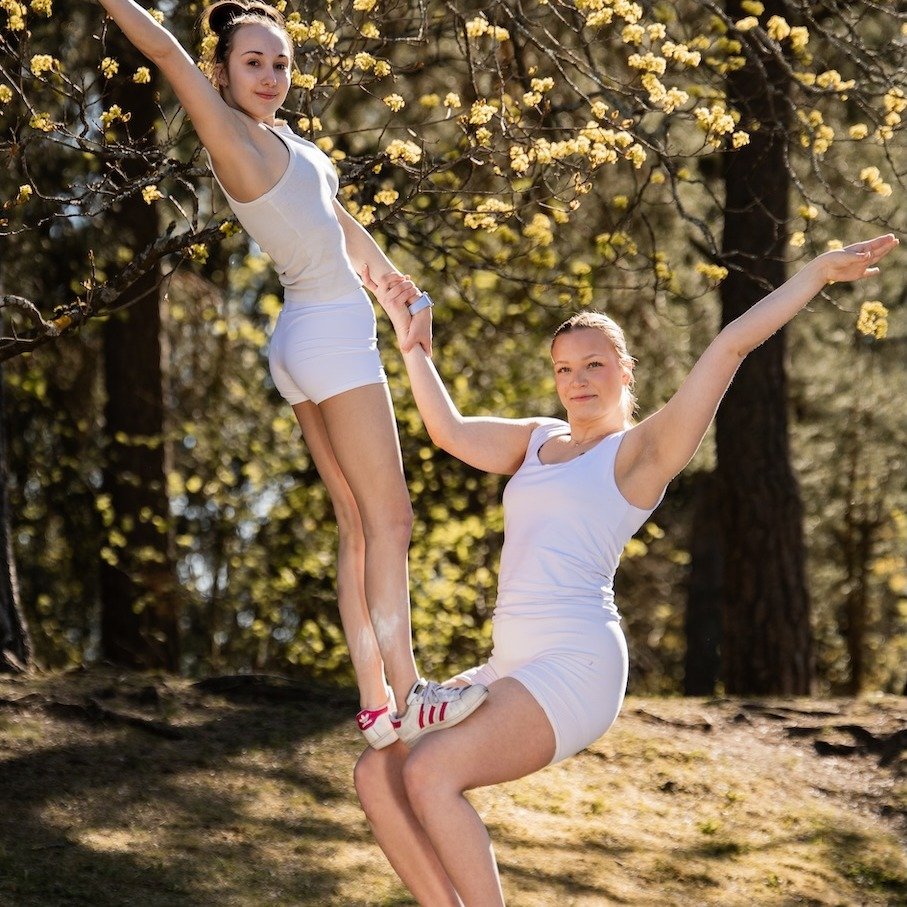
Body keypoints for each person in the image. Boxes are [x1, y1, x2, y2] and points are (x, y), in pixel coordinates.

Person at [356, 233, 899, 905]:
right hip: (508, 665)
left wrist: (815, 274)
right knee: (379, 774)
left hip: (573, 664)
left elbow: (730, 344)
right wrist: (411, 342)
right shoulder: (536, 439)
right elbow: (448, 430)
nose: (576, 381)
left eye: (592, 365)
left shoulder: (641, 451)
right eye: (563, 369)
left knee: (432, 771)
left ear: (625, 370)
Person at [94, 0, 487, 747]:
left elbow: (342, 229)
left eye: (279, 62)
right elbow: (169, 53)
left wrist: (402, 292)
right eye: (252, 62)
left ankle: (375, 706)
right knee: (391, 519)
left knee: (358, 526)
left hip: (309, 335)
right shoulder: (232, 135)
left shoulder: (288, 143)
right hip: (330, 338)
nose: (271, 75)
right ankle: (414, 693)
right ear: (222, 72)